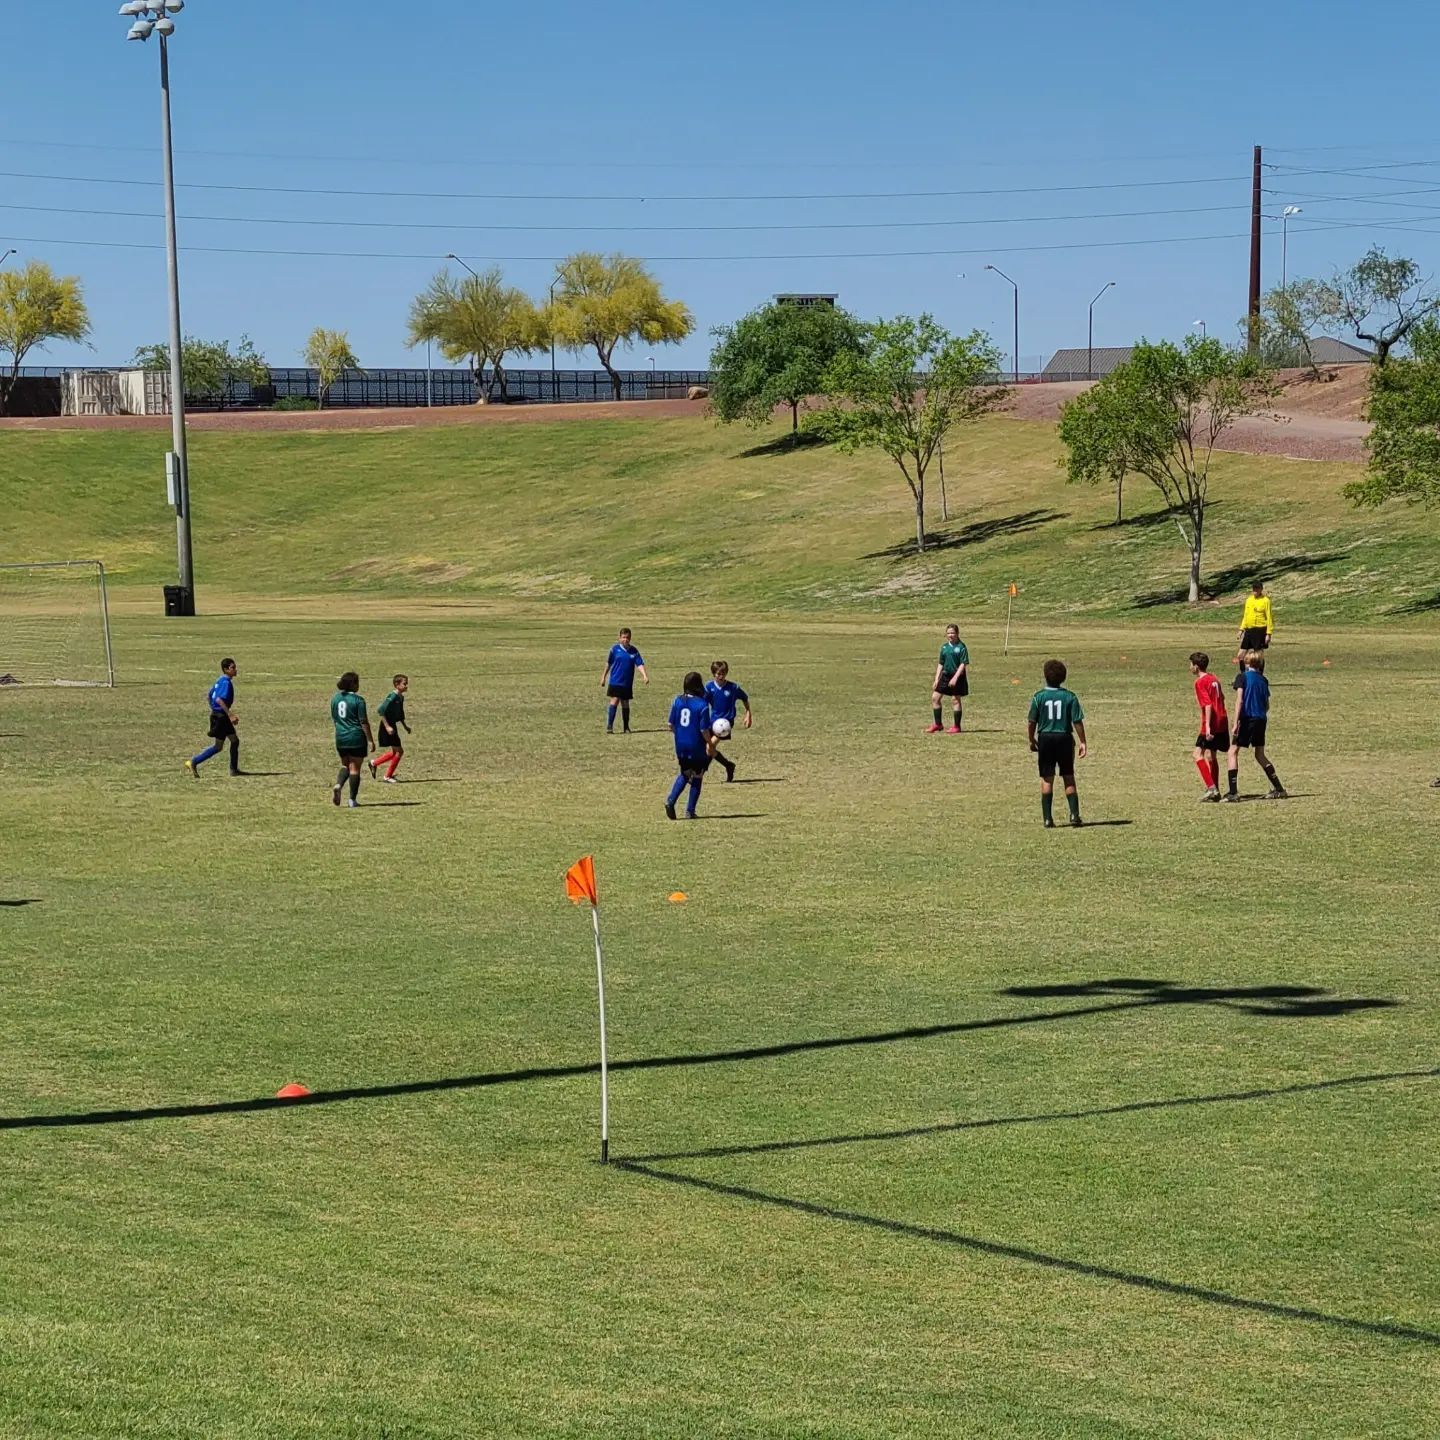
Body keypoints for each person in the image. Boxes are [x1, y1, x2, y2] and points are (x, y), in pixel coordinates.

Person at [1027, 658, 1087, 828]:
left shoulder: (1039, 697)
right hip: (1064, 738)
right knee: (1068, 776)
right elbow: (1077, 721)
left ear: (1045, 676)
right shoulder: (1070, 697)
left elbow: (1031, 721)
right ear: (1063, 677)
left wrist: (1031, 739)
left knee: (1047, 778)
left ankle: (1047, 819)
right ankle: (1074, 815)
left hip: (1045, 738)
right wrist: (1083, 741)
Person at [1225, 650, 1286, 802]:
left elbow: (1240, 700)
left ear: (1246, 663)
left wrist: (1235, 722)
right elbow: (1266, 704)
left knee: (1232, 752)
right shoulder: (1263, 680)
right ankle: (1279, 789)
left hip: (1247, 719)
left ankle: (1233, 792)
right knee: (1260, 754)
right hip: (1261, 719)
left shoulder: (1242, 677)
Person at [664, 671, 713, 820]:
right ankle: (690, 811)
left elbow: (670, 724)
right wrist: (710, 743)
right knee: (698, 775)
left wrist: (680, 735)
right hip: (696, 745)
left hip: (680, 745)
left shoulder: (677, 701)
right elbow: (704, 730)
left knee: (685, 773)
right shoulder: (702, 705)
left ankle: (671, 800)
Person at [186, 658, 241, 778]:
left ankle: (234, 770)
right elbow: (219, 699)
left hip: (219, 715)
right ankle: (194, 762)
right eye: (232, 668)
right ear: (226, 669)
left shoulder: (220, 680)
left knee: (234, 740)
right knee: (218, 746)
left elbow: (210, 695)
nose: (235, 670)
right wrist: (230, 714)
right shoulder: (226, 683)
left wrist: (213, 709)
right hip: (222, 717)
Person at [1189, 651, 1230, 802]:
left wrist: (1207, 727)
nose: (1190, 667)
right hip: (1222, 719)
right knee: (1211, 754)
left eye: (1191, 664)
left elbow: (1207, 704)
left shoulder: (1200, 682)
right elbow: (1222, 697)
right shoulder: (1214, 679)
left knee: (1197, 754)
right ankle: (1216, 790)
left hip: (1211, 721)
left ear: (1196, 666)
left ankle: (1211, 787)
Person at [330, 671, 374, 809]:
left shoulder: (335, 699)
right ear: (353, 684)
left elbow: (335, 719)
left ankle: (339, 784)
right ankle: (352, 800)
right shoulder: (358, 700)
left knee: (345, 765)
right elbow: (363, 721)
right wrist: (370, 740)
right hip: (356, 737)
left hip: (341, 737)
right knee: (355, 768)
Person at [704, 660, 752, 782]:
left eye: (723, 673)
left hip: (725, 723)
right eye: (718, 674)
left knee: (710, 747)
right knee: (708, 748)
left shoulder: (733, 687)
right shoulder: (709, 687)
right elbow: (703, 703)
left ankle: (701, 771)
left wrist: (748, 713)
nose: (721, 676)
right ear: (713, 674)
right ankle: (728, 765)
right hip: (712, 722)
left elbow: (745, 698)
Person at [602, 627, 649, 734]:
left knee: (625, 703)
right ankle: (610, 726)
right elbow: (608, 664)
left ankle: (626, 727)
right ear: (619, 638)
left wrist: (644, 675)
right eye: (623, 637)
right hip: (615, 681)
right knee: (614, 700)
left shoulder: (634, 651)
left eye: (627, 638)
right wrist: (603, 677)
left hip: (627, 682)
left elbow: (639, 664)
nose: (625, 640)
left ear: (630, 638)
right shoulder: (614, 650)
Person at [927, 624, 970, 734]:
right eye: (948, 633)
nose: (950, 635)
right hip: (945, 675)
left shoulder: (961, 647)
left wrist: (955, 678)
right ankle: (938, 724)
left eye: (953, 633)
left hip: (958, 676)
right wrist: (936, 679)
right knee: (935, 698)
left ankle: (957, 727)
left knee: (955, 699)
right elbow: (941, 663)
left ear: (957, 634)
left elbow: (963, 664)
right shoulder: (944, 647)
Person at [369, 674, 411, 784]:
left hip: (392, 725)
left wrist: (405, 726)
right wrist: (387, 726)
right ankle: (387, 776)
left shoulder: (401, 697)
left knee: (395, 752)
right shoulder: (392, 696)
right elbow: (381, 710)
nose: (406, 686)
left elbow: (400, 714)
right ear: (397, 685)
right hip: (387, 726)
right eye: (404, 683)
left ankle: (374, 763)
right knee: (399, 751)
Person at [1236, 580, 1273, 677]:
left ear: (1261, 589)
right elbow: (1245, 616)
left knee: (1258, 655)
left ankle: (1259, 675)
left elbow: (1269, 617)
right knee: (1241, 654)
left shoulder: (1265, 601)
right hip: (1249, 630)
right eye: (1253, 589)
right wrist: (1241, 629)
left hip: (1260, 630)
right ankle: (1243, 675)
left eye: (1257, 589)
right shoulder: (1249, 600)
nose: (1255, 591)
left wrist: (1268, 633)